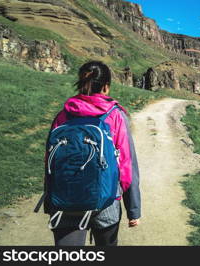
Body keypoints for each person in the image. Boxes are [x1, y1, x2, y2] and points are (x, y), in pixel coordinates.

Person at [44, 61, 141, 246]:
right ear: (106, 87)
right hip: (106, 203)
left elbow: (50, 161)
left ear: (80, 83)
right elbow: (127, 166)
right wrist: (133, 209)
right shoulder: (115, 116)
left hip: (64, 200)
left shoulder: (63, 115)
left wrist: (50, 199)